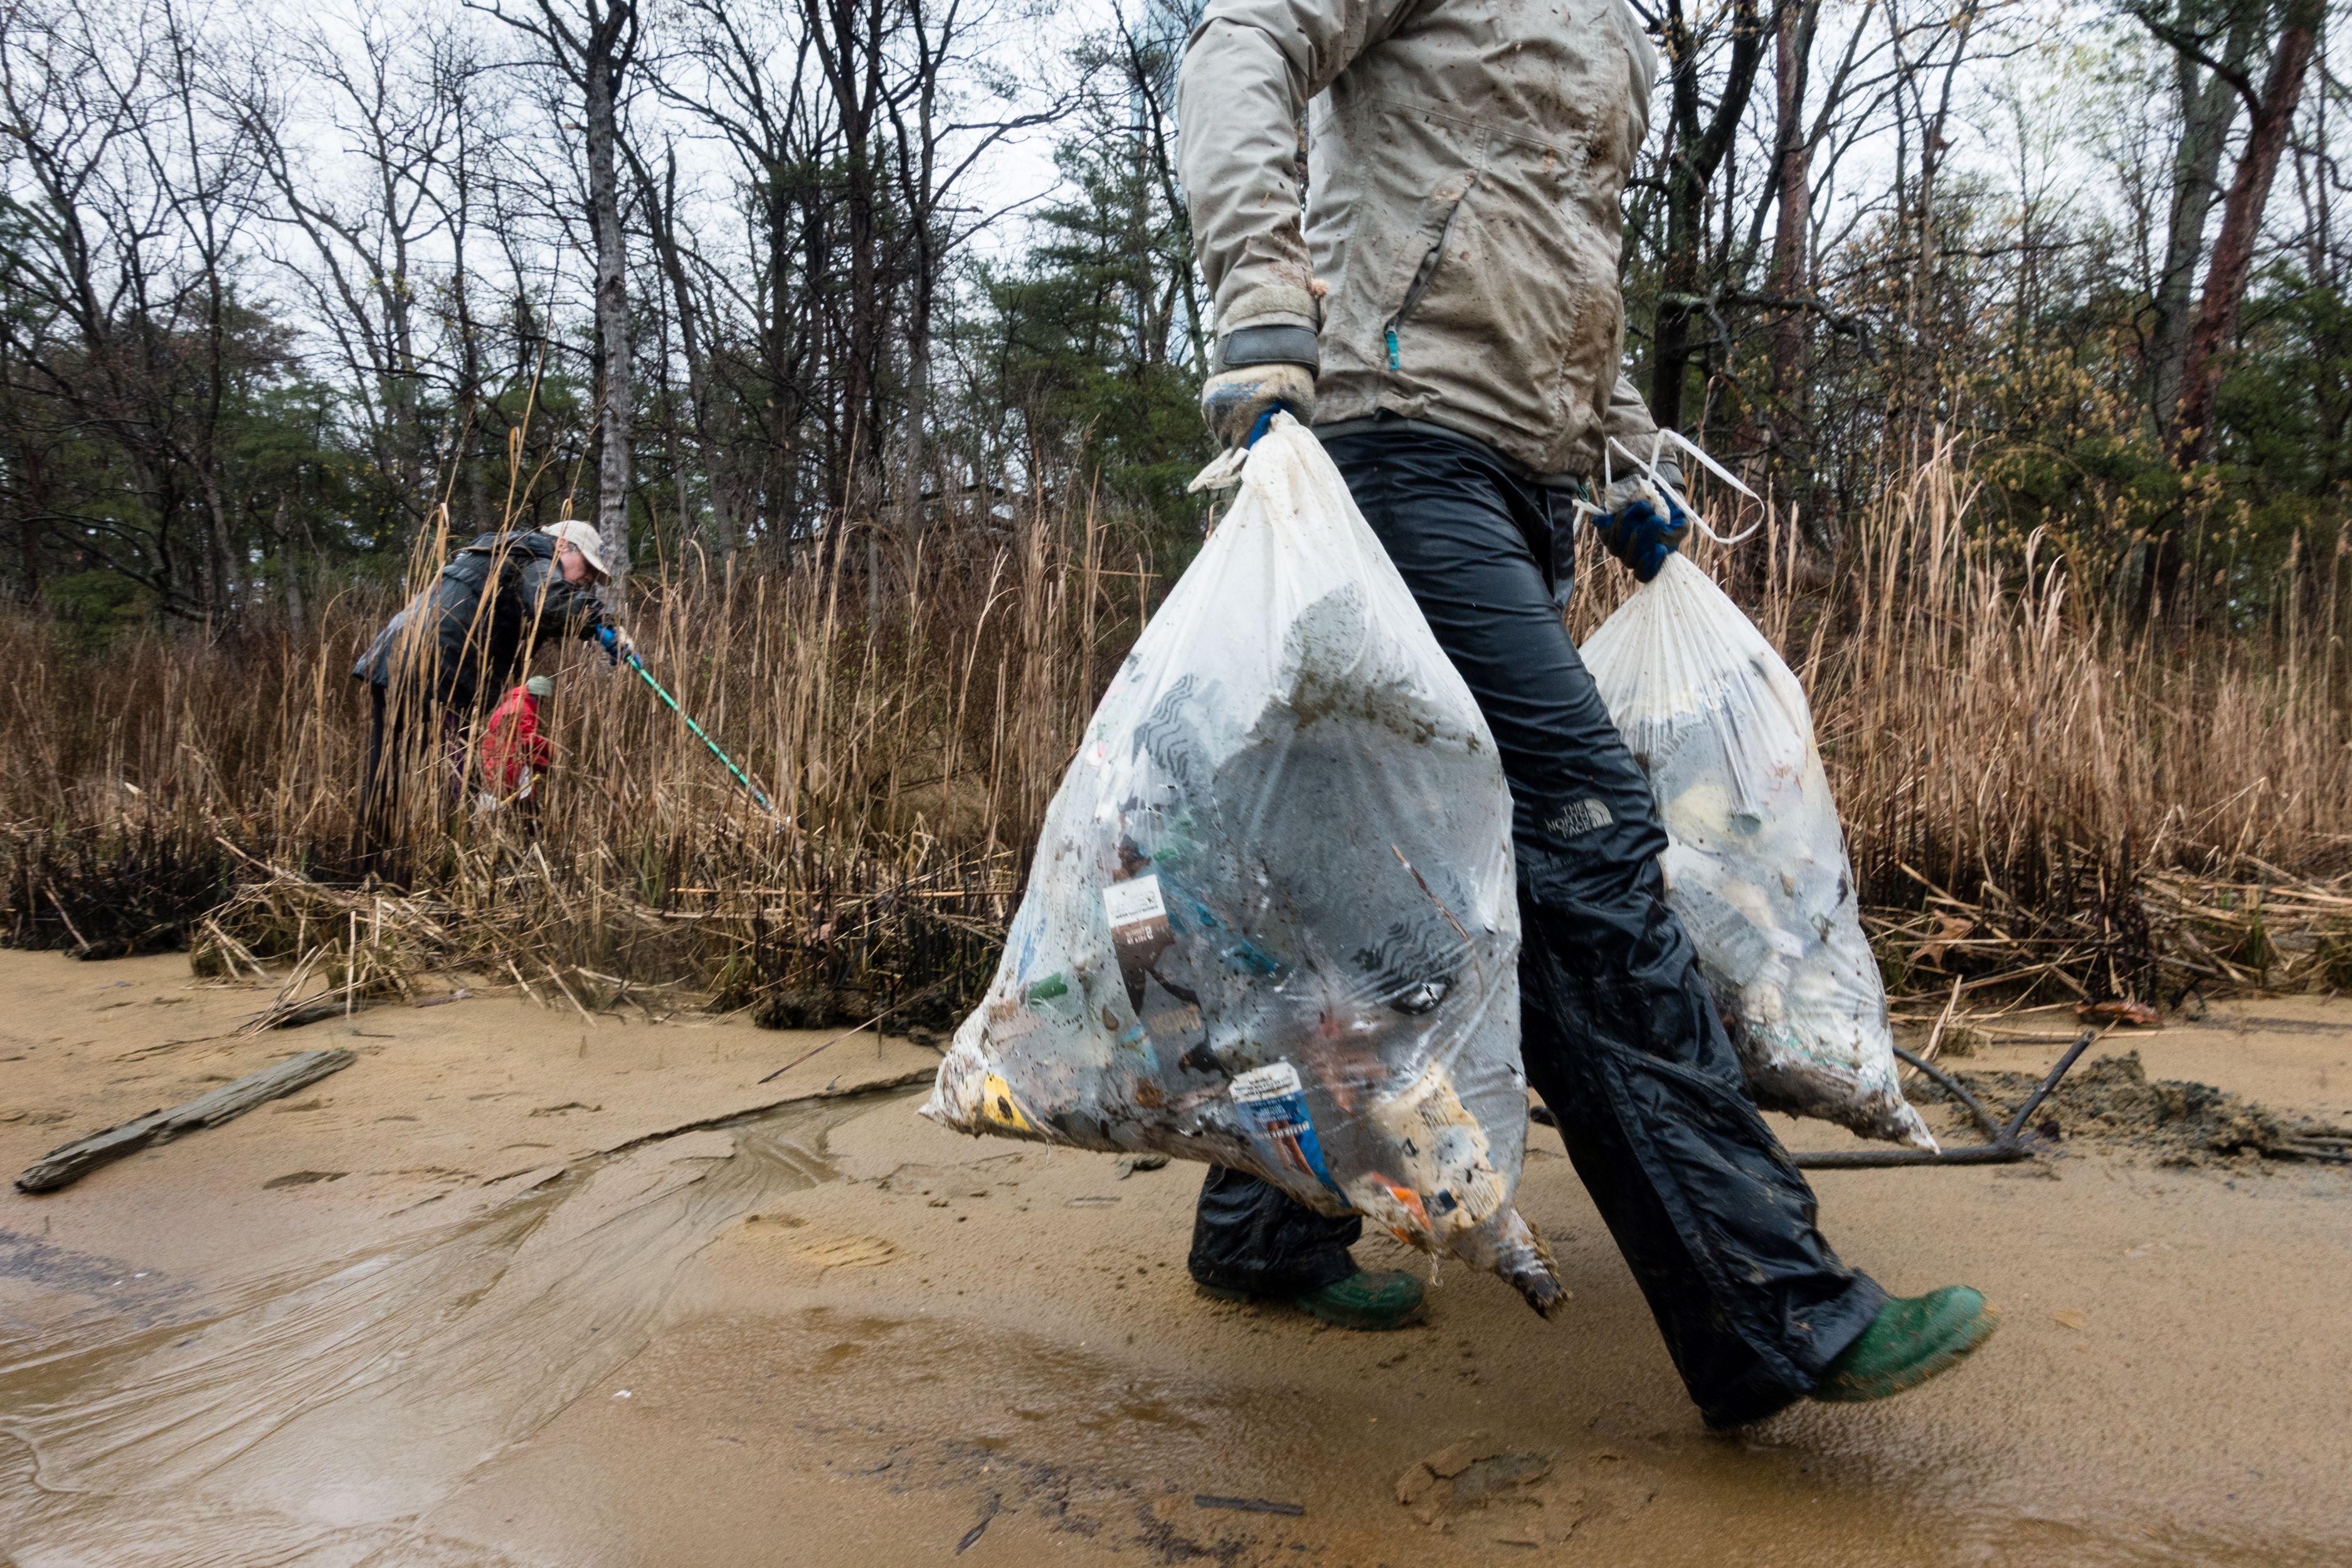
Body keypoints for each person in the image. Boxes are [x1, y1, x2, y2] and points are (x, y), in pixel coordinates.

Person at [1173, 0, 1996, 1427]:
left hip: (1516, 482)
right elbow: (1234, 50)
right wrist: (1261, 310)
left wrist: (1613, 449)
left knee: (1393, 886)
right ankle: (1763, 1304)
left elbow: (1561, 257)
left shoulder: (1611, 30)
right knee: (1584, 847)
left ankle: (1261, 1230)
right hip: (1393, 446)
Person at [354, 521, 628, 837]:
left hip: (395, 659)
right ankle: (450, 853)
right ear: (564, 546)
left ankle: (373, 856)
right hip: (437, 670)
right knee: (451, 772)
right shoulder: (538, 554)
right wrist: (601, 624)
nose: (588, 580)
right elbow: (551, 602)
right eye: (588, 568)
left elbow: (539, 611)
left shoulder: (508, 554)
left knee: (390, 766)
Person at [478, 674, 557, 817]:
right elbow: (529, 741)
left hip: (497, 760)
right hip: (507, 764)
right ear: (538, 696)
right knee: (526, 808)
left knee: (516, 807)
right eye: (543, 699)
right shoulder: (522, 708)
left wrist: (543, 764)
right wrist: (554, 753)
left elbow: (522, 745)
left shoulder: (512, 704)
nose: (543, 703)